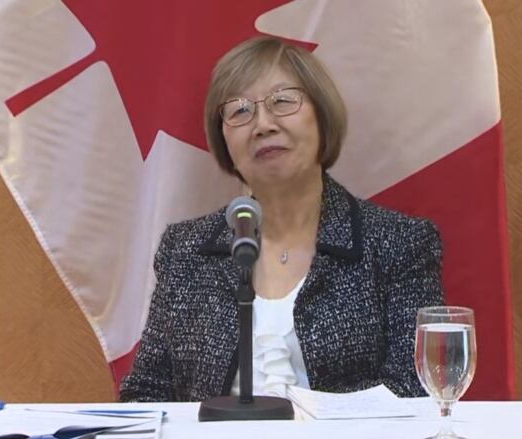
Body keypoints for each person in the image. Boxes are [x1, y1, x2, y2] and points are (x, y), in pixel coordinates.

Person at [119, 36, 443, 402]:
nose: (263, 124)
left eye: (283, 101)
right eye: (240, 111)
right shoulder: (186, 251)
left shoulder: (398, 244)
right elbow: (146, 394)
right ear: (223, 138)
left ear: (322, 115)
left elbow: (415, 389)